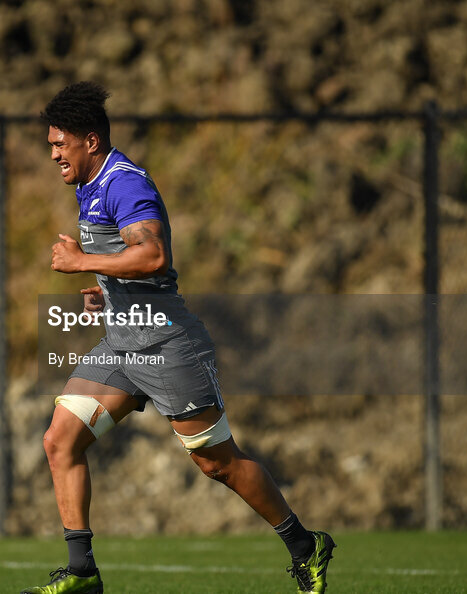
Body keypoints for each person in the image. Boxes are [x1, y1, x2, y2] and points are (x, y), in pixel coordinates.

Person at [22, 81, 335, 594]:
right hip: (124, 341)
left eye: (60, 143)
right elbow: (134, 269)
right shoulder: (89, 185)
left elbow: (153, 256)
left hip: (166, 344)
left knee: (218, 463)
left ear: (91, 141)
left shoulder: (124, 184)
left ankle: (305, 544)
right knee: (60, 440)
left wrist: (82, 260)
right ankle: (83, 574)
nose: (53, 152)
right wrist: (105, 290)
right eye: (51, 143)